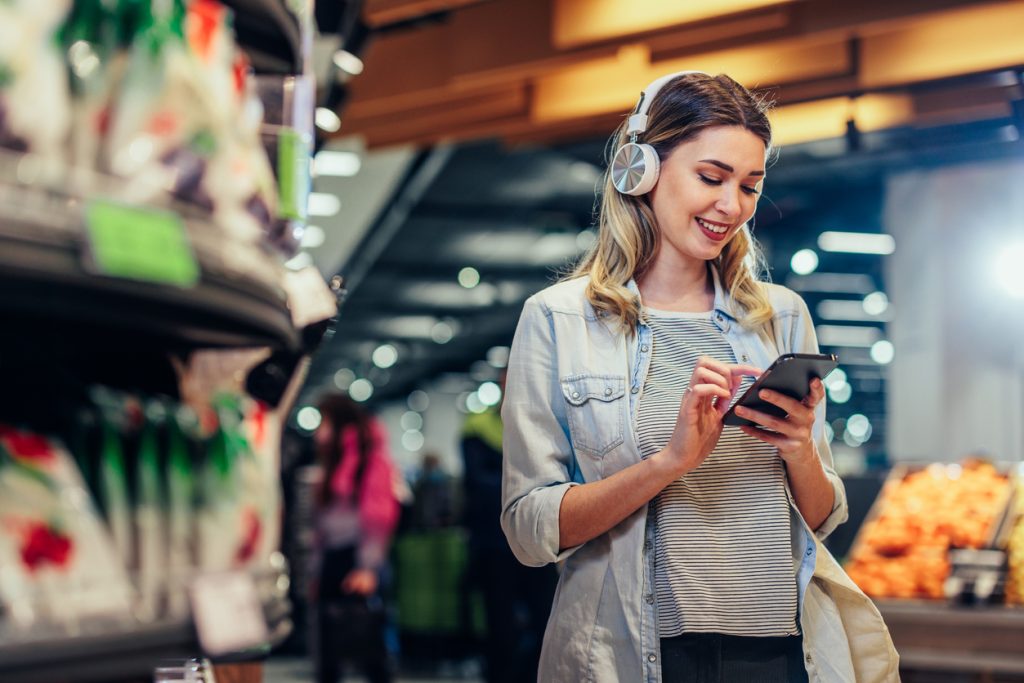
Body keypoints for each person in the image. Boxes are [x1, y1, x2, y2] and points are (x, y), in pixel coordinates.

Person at [500, 71, 900, 682]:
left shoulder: (781, 316)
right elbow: (529, 532)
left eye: (750, 186)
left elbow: (823, 517)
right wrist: (669, 463)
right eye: (711, 178)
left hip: (779, 651)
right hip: (635, 654)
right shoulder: (559, 320)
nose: (731, 206)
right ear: (642, 170)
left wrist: (799, 451)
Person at [462, 383, 557, 683]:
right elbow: (477, 484)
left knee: (545, 619)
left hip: (537, 542)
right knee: (499, 626)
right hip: (494, 545)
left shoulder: (539, 421)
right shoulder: (477, 428)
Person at [311, 393, 400, 683]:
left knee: (369, 651)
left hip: (358, 560)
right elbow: (322, 524)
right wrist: (315, 570)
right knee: (328, 654)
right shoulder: (332, 462)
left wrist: (367, 567)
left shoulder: (371, 461)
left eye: (323, 421)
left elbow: (378, 517)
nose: (318, 430)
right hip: (332, 560)